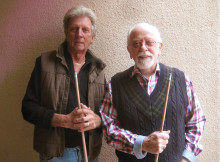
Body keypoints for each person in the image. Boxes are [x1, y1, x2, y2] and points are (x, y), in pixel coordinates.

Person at [100, 23, 206, 162]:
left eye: (149, 42)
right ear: (129, 51)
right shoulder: (115, 84)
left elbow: (196, 123)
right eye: (136, 43)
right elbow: (108, 129)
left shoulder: (181, 80)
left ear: (159, 48)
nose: (143, 48)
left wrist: (186, 158)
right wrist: (141, 143)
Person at [22, 5, 106, 162]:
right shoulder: (44, 63)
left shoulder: (99, 69)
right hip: (57, 155)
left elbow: (108, 114)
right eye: (74, 29)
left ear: (92, 37)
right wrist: (64, 120)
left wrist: (97, 120)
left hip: (90, 152)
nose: (79, 34)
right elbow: (28, 109)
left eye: (85, 30)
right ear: (67, 33)